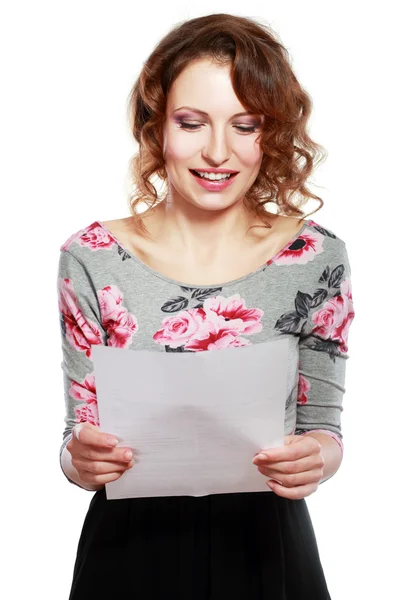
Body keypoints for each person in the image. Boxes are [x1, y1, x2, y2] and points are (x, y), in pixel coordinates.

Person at [57, 13, 355, 599]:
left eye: (245, 126)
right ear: (156, 127)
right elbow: (77, 439)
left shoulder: (316, 255)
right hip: (128, 553)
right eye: (192, 123)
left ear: (270, 136)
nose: (218, 151)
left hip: (268, 547)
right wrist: (79, 461)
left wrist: (314, 460)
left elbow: (324, 430)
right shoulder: (91, 256)